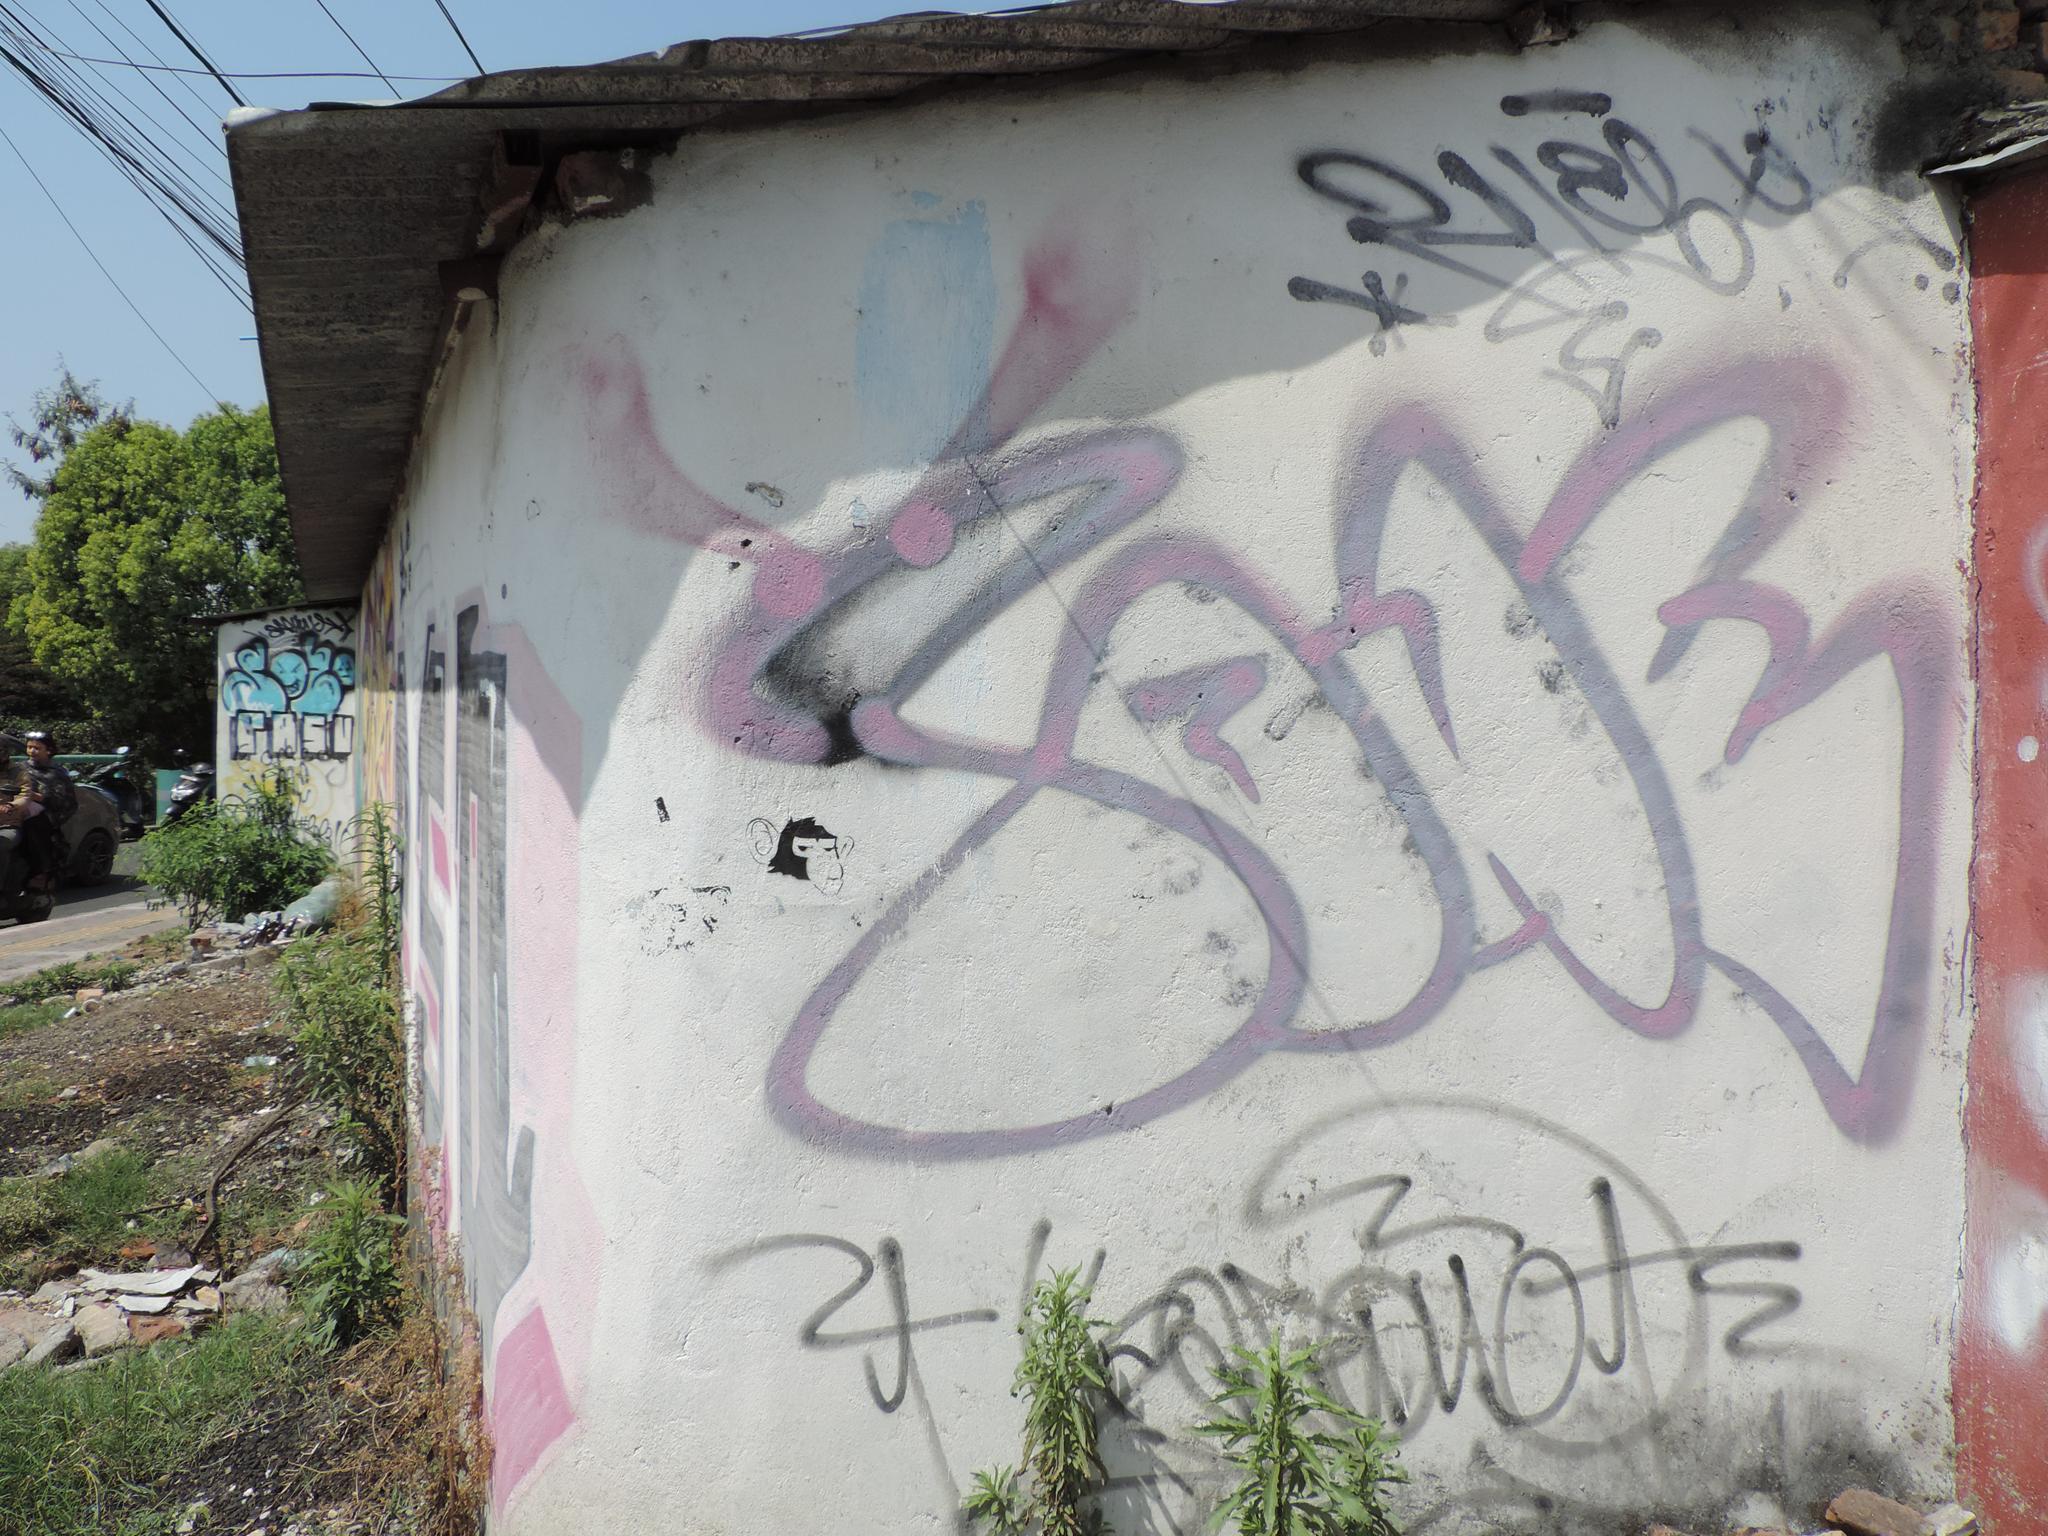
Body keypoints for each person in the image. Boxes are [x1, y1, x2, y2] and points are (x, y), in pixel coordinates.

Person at [0, 739, 50, 894]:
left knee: (2, 843)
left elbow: (24, 795)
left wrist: (11, 805)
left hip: (6, 824)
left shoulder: (18, 772)